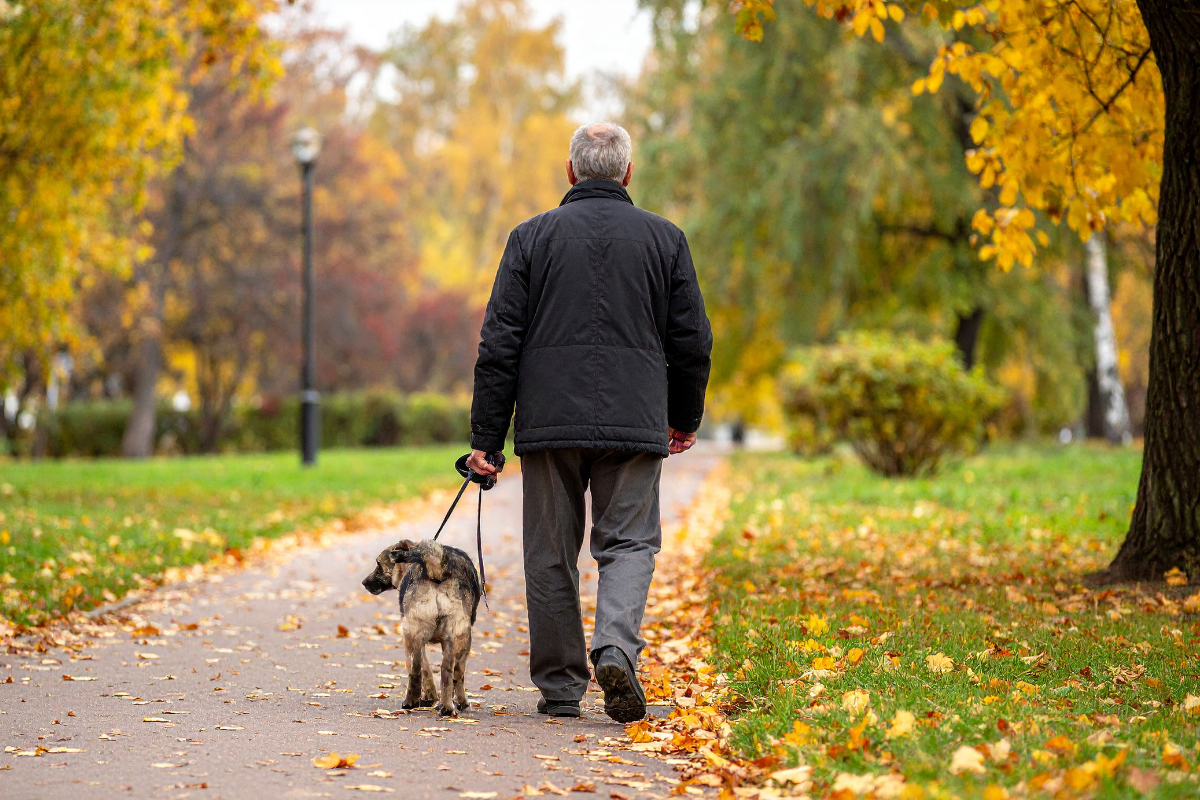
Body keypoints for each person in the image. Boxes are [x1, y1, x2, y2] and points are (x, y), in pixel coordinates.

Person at [466, 121, 711, 723]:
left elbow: (499, 342)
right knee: (629, 543)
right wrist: (682, 415)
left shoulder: (530, 238)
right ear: (627, 173)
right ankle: (616, 650)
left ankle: (560, 687)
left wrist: (486, 441)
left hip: (549, 423)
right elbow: (692, 339)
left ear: (572, 172)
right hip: (635, 420)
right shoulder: (665, 239)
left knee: (549, 551)